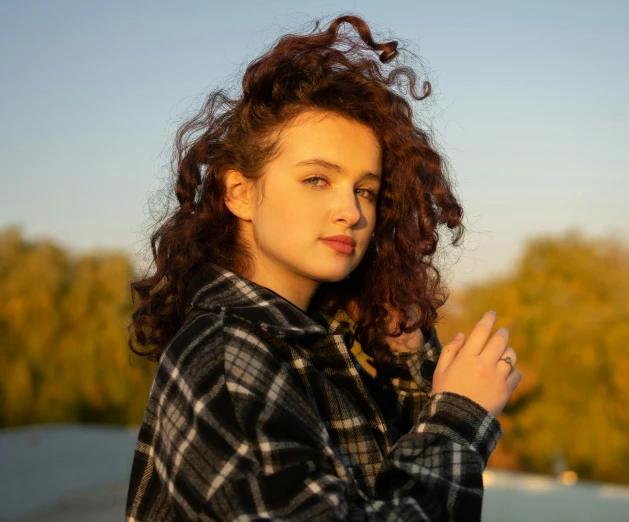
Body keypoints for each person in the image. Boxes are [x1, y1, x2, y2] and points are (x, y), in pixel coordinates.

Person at [125, 14, 521, 521]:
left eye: (366, 190)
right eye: (317, 179)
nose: (351, 212)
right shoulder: (229, 357)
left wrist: (407, 363)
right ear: (240, 193)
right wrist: (460, 419)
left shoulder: (310, 344)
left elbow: (384, 490)